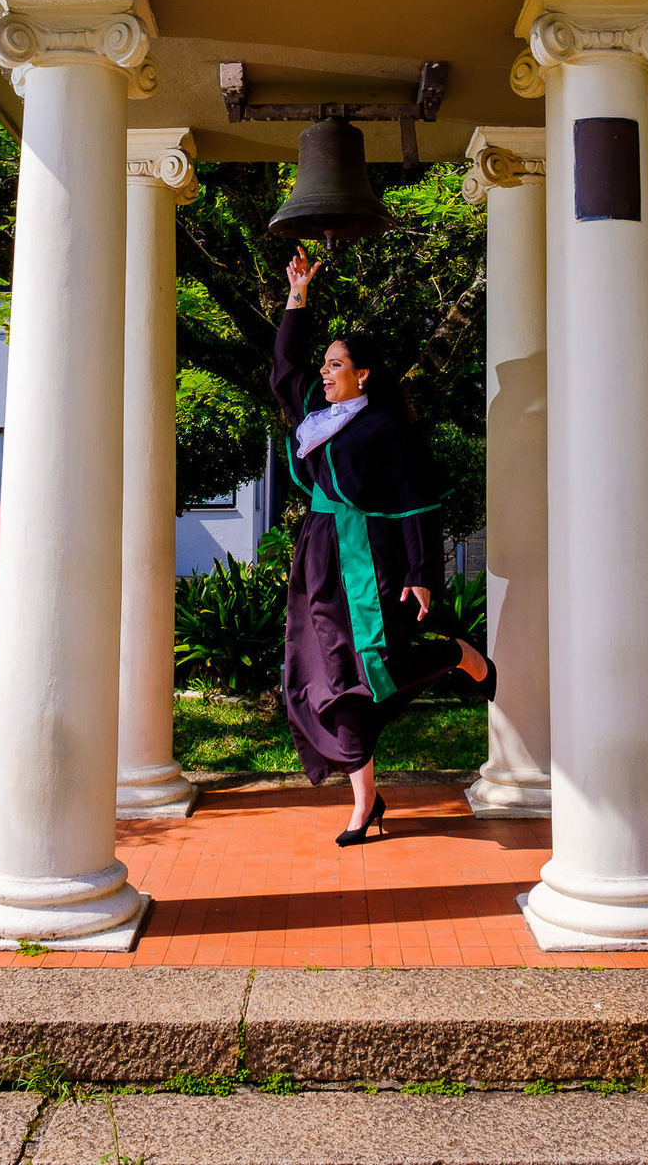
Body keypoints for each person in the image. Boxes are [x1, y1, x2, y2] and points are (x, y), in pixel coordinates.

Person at [270, 244, 495, 845]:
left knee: (372, 667)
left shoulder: (388, 427)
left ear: (362, 373)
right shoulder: (317, 415)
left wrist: (422, 571)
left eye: (336, 364)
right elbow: (284, 369)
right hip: (319, 556)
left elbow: (417, 503)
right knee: (325, 674)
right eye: (325, 364)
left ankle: (454, 654)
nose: (323, 372)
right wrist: (297, 297)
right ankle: (364, 799)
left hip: (369, 556)